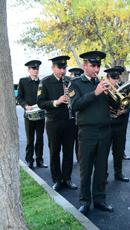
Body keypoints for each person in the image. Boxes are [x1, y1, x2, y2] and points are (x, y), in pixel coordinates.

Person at [69, 51, 117, 215]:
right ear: (85, 66)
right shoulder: (75, 83)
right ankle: (84, 201)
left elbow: (115, 106)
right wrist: (94, 93)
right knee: (86, 168)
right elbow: (75, 106)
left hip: (104, 131)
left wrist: (113, 93)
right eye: (93, 65)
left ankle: (99, 199)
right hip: (87, 132)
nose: (96, 69)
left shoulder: (102, 83)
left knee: (102, 169)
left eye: (98, 66)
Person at [37, 55, 78, 191]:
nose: (62, 71)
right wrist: (56, 101)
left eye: (64, 68)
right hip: (53, 123)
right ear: (53, 68)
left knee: (68, 152)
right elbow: (41, 102)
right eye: (60, 68)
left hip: (69, 122)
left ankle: (67, 178)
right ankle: (57, 180)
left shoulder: (70, 80)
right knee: (54, 152)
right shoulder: (45, 82)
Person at [17, 60, 47, 169]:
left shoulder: (43, 82)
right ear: (29, 70)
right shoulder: (23, 81)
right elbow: (19, 97)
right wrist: (25, 106)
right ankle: (30, 160)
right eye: (33, 68)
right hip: (29, 114)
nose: (36, 70)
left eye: (37, 68)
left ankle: (40, 160)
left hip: (40, 114)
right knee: (30, 139)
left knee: (40, 138)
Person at [105, 67, 130, 183]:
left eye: (117, 78)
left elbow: (128, 104)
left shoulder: (123, 88)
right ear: (108, 78)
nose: (116, 81)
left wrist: (124, 111)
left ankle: (118, 173)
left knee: (118, 151)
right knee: (103, 152)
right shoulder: (104, 90)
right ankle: (103, 175)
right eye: (113, 78)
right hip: (107, 124)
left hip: (119, 123)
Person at [114, 65, 130, 161]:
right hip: (112, 115)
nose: (118, 78)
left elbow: (129, 101)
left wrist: (125, 111)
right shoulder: (110, 85)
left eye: (119, 75)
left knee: (122, 135)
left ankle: (122, 152)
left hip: (123, 115)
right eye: (116, 76)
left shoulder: (125, 86)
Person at [68, 67, 83, 162]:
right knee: (69, 142)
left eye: (78, 75)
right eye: (74, 75)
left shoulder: (80, 86)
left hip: (79, 117)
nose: (75, 77)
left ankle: (79, 158)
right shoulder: (68, 85)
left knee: (79, 141)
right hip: (69, 119)